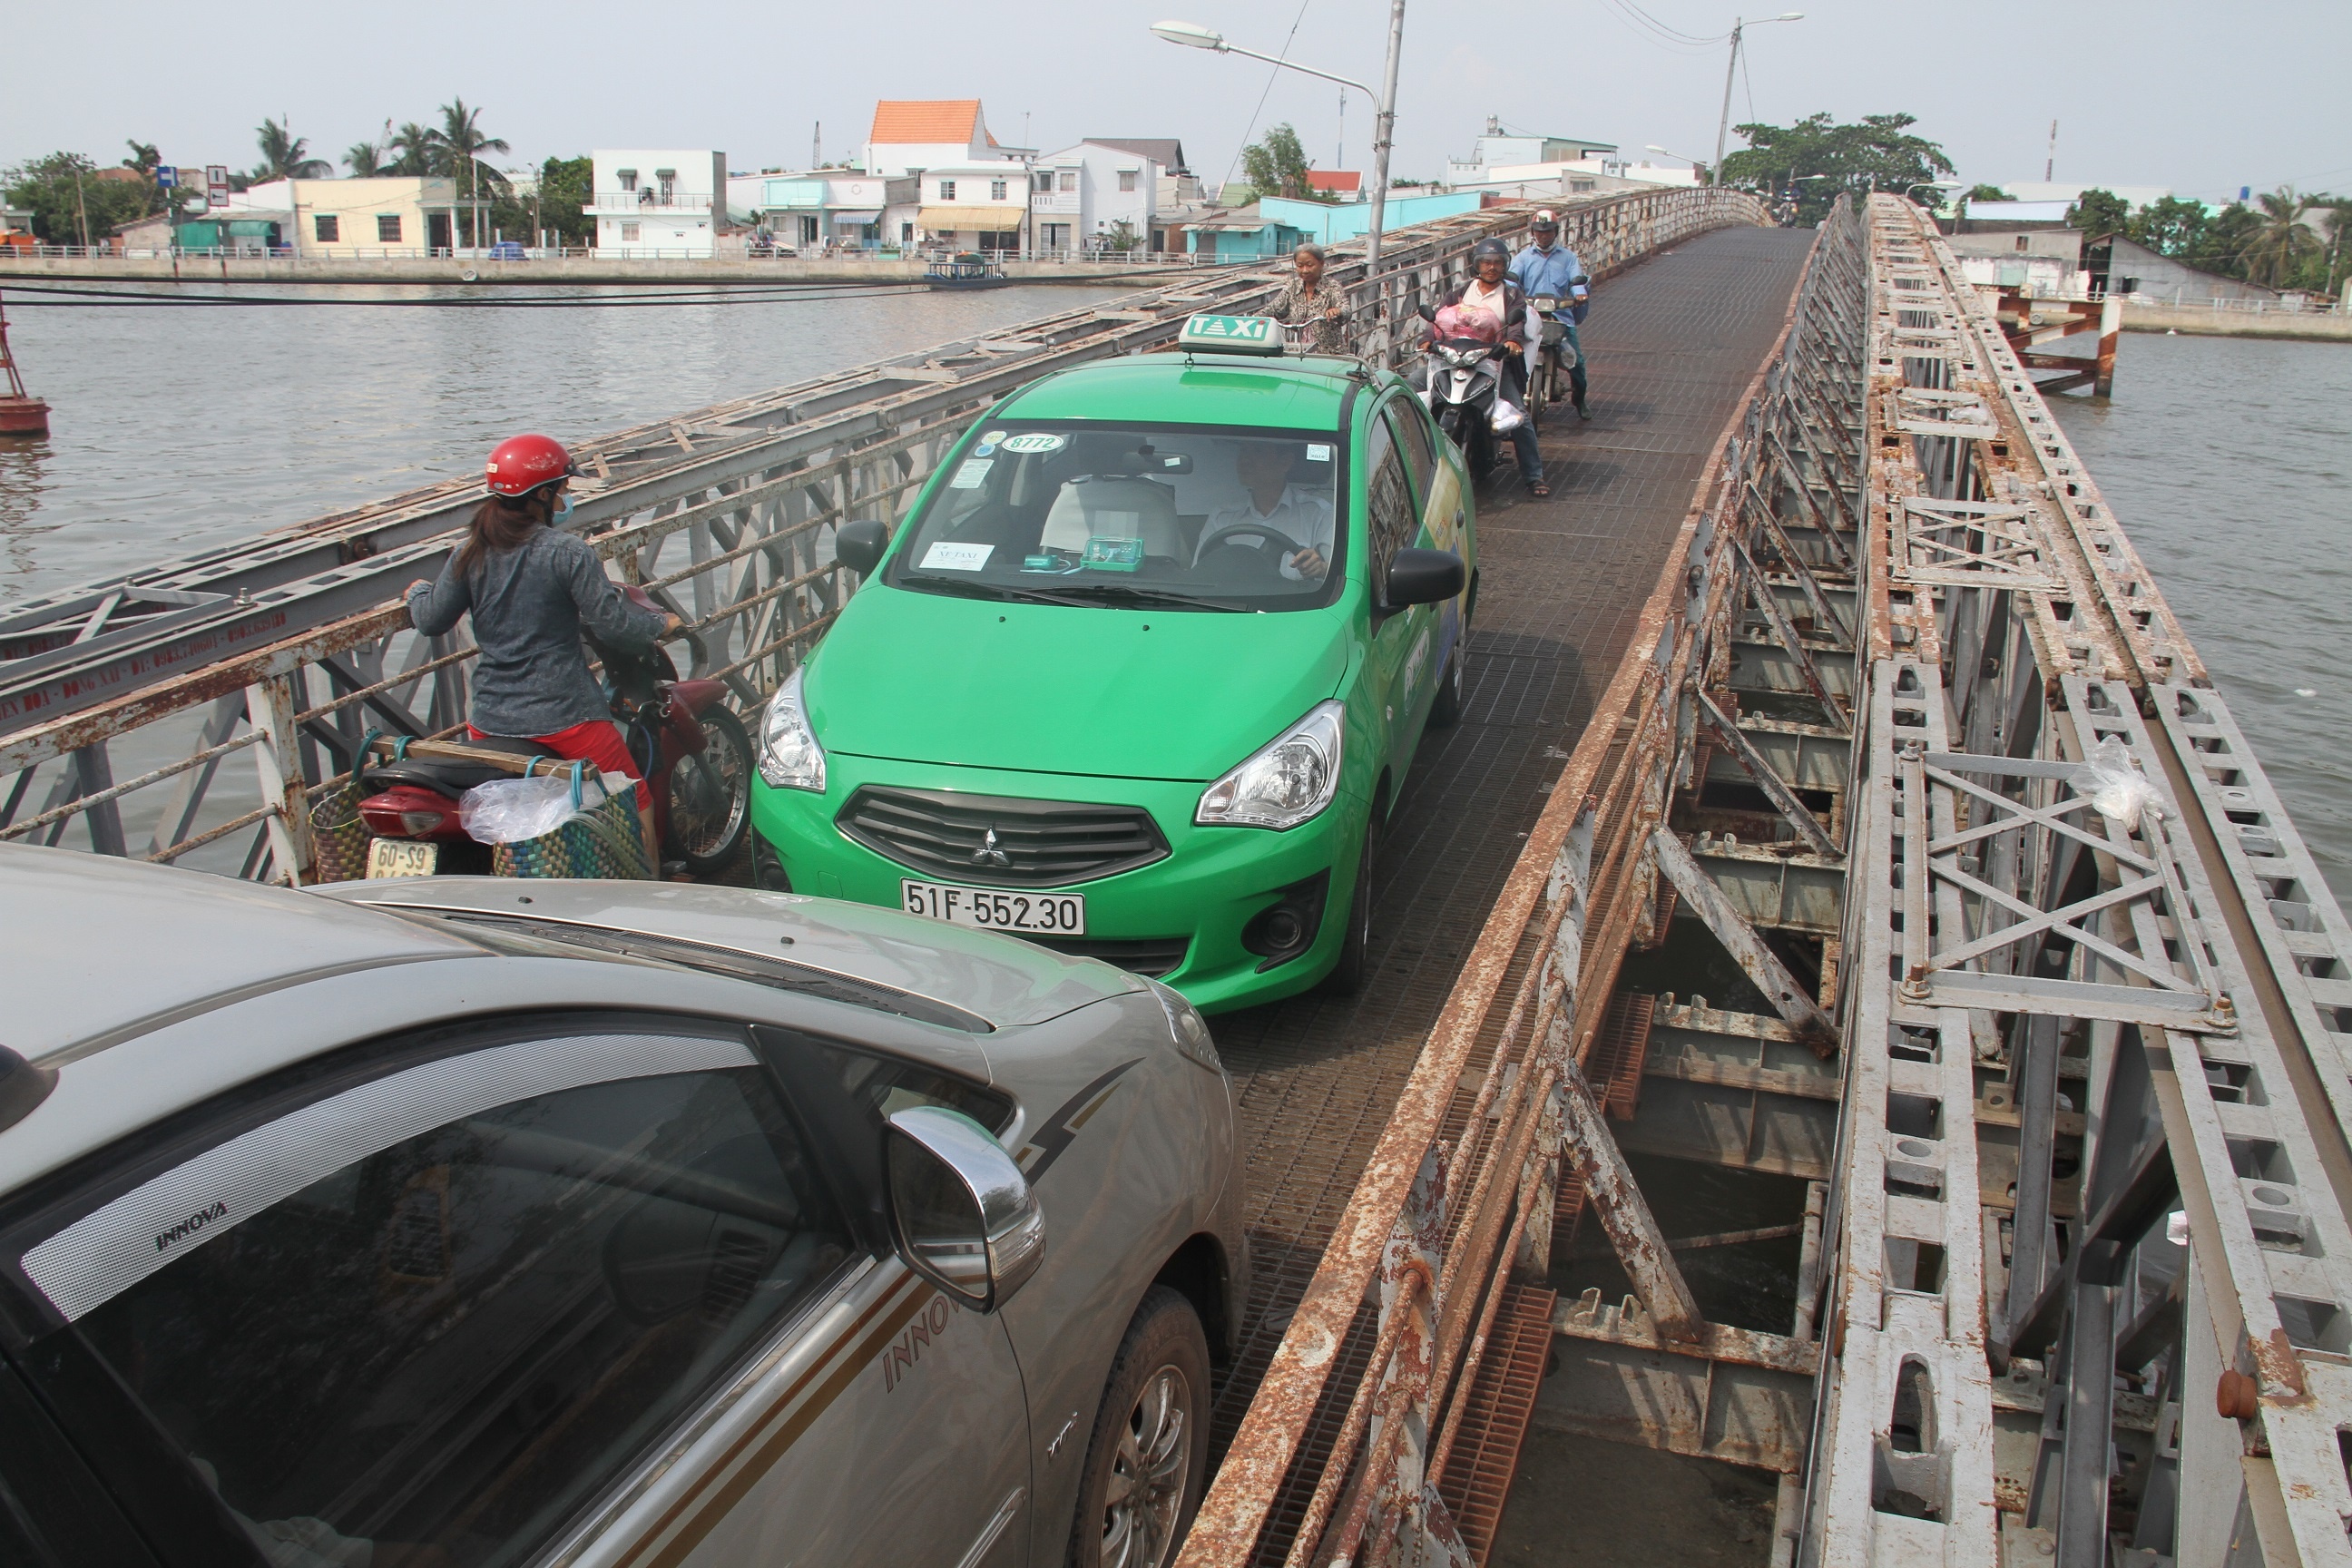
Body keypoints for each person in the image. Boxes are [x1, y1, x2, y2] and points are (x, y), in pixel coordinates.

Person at [406, 433, 682, 868]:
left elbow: (429, 618)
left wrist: (418, 592)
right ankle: (649, 888)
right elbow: (614, 626)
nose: (565, 499)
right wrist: (659, 623)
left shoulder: (469, 552)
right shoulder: (567, 553)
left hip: (491, 717)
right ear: (541, 495)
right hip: (564, 715)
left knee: (515, 811)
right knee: (631, 794)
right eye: (562, 489)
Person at [1435, 238, 1546, 497]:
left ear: (1505, 265)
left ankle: (1534, 475)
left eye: (1498, 263)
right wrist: (1428, 339)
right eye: (1486, 262)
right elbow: (1439, 318)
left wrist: (1511, 342)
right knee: (1411, 391)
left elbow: (1517, 324)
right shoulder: (1460, 291)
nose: (1492, 268)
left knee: (1517, 416)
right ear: (1476, 264)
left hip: (1494, 362)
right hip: (1456, 359)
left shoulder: (1511, 295)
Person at [1197, 441, 1336, 582]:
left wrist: (1320, 569)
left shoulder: (1320, 514)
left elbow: (1338, 575)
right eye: (1243, 451)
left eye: (1257, 451)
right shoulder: (1221, 517)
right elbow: (1199, 575)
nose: (1245, 460)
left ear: (1285, 462)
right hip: (1229, 603)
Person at [1509, 210, 1591, 419]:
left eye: (1548, 232)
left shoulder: (1568, 257)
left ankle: (1579, 399)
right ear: (1533, 233)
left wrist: (1579, 294)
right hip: (1530, 314)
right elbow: (1511, 279)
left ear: (1556, 232)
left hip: (1560, 315)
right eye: (1539, 232)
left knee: (1576, 361)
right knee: (1510, 354)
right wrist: (1507, 290)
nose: (1543, 236)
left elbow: (1577, 280)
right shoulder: (1524, 257)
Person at [1274, 241, 1347, 353]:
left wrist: (1337, 312)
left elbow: (1345, 308)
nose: (1305, 270)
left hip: (1328, 354)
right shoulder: (1292, 287)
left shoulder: (1332, 287)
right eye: (1300, 266)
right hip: (1297, 351)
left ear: (1321, 264)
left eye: (1309, 265)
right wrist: (1249, 321)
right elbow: (1274, 310)